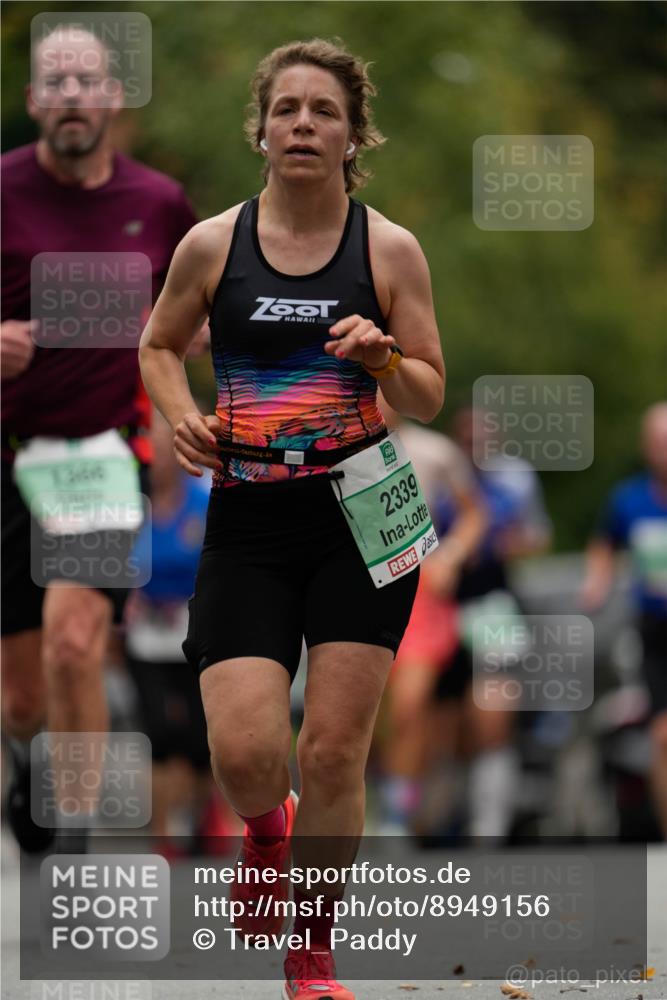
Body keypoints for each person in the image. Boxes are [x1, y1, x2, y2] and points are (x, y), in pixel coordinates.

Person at [139, 38, 445, 1000]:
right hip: (250, 520)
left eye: (323, 110)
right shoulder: (211, 245)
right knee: (246, 755)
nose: (303, 124)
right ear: (262, 130)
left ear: (354, 135)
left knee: (334, 748)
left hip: (365, 516)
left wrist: (385, 358)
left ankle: (311, 954)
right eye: (287, 110)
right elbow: (157, 346)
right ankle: (266, 832)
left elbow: (432, 394)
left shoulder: (387, 248)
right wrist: (179, 415)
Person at [1, 25, 197, 852]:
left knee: (76, 643)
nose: (73, 95)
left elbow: (195, 319)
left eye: (88, 81)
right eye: (57, 81)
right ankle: (26, 755)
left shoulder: (158, 204)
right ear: (34, 100)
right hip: (11, 455)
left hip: (104, 453)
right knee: (22, 693)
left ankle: (73, 831)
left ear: (114, 98)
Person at [124, 411, 238, 855]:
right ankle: (162, 832)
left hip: (197, 629)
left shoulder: (204, 499)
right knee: (158, 732)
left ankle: (205, 812)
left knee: (198, 737)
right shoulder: (132, 505)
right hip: (144, 636)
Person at [377, 403, 487, 834]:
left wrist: (452, 557)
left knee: (409, 706)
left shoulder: (435, 451)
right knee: (366, 715)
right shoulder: (336, 448)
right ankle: (364, 798)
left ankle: (397, 812)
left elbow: (475, 513)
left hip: (419, 591)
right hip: (354, 587)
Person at [581, 402, 667, 837]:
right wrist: (597, 583)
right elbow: (604, 543)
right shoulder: (628, 498)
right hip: (655, 632)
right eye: (657, 442)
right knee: (663, 738)